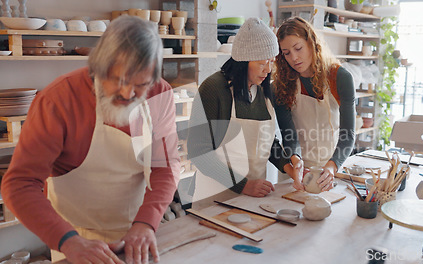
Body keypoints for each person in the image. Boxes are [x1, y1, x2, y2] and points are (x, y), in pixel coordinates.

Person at [1, 16, 180, 264]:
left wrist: (146, 222)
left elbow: (166, 167)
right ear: (97, 68)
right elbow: (19, 184)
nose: (128, 94)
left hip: (137, 232)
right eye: (119, 82)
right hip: (76, 240)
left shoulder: (160, 93)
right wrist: (68, 240)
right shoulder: (59, 100)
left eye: (141, 85)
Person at [186, 17, 302, 209]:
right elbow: (199, 152)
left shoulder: (262, 90)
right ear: (243, 60)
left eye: (271, 62)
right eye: (262, 63)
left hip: (252, 199)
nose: (268, 69)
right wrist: (244, 185)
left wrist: (289, 167)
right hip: (214, 199)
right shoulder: (214, 88)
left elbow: (266, 142)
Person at [273, 17, 356, 192]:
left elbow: (348, 134)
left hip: (331, 165)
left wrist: (333, 166)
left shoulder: (339, 77)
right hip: (297, 169)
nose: (294, 58)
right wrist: (295, 160)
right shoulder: (282, 84)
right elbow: (288, 133)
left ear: (311, 43)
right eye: (286, 53)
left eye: (298, 48)